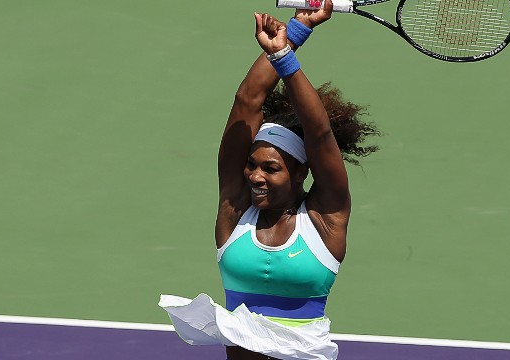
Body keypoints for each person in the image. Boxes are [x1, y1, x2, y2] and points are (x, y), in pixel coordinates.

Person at [160, 2, 380, 359]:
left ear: (300, 172)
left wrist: (286, 60)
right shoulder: (235, 208)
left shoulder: (325, 221)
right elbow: (248, 100)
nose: (255, 176)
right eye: (251, 165)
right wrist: (293, 34)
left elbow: (319, 133)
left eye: (271, 168)